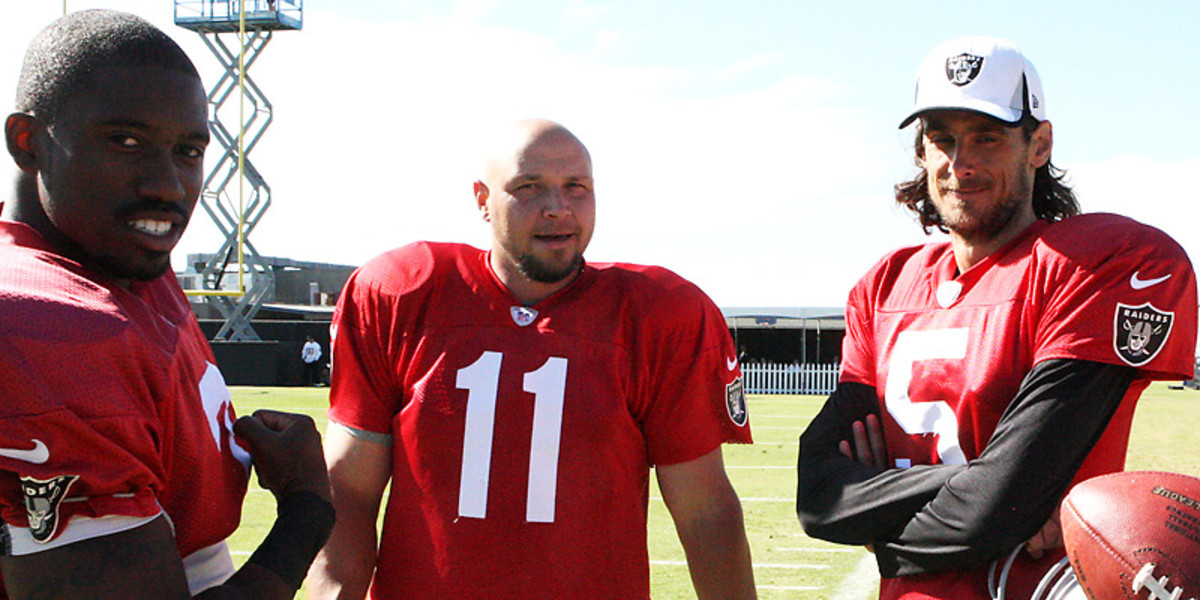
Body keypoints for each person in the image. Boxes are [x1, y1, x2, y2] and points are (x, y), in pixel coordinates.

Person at [795, 36, 1197, 600]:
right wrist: (986, 495)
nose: (962, 163)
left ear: (1039, 144)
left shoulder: (1096, 263)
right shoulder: (884, 286)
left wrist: (880, 522)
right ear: (922, 153)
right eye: (943, 140)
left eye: (987, 137)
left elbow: (1003, 501)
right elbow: (819, 497)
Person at [306, 119, 756, 599]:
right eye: (529, 188)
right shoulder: (400, 291)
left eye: (576, 188)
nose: (557, 208)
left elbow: (704, 508)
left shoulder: (661, 314)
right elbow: (349, 488)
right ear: (483, 200)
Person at [0, 10, 334, 599]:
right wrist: (307, 512)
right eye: (125, 142)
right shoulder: (49, 324)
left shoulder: (120, 257)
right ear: (29, 142)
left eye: (188, 150)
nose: (168, 185)